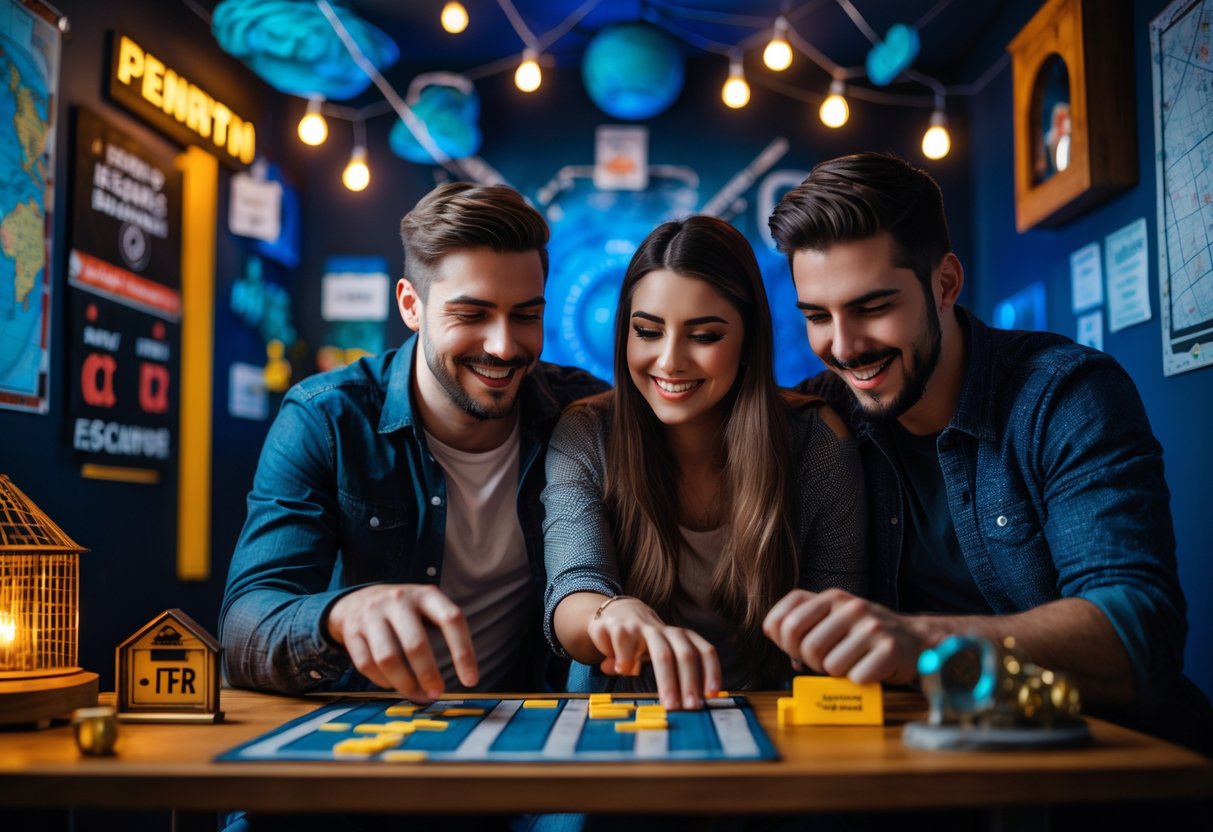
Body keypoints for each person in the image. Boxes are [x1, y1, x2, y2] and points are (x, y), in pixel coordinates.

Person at [763, 151, 1212, 750]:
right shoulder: (823, 412)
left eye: (873, 307)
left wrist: (921, 642)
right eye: (818, 316)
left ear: (945, 283)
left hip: (1114, 770)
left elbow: (1137, 629)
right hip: (929, 772)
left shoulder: (1066, 393)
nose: (844, 347)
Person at [220, 182, 606, 704]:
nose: (503, 345)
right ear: (411, 305)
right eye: (471, 315)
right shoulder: (326, 419)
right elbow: (243, 630)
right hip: (367, 735)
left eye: (525, 315)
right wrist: (339, 615)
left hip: (527, 734)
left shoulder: (581, 414)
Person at [542, 215, 867, 711]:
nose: (670, 360)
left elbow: (838, 627)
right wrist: (611, 614)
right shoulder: (587, 432)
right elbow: (572, 589)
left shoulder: (815, 441)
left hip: (772, 723)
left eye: (705, 336)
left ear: (748, 340)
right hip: (612, 727)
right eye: (647, 331)